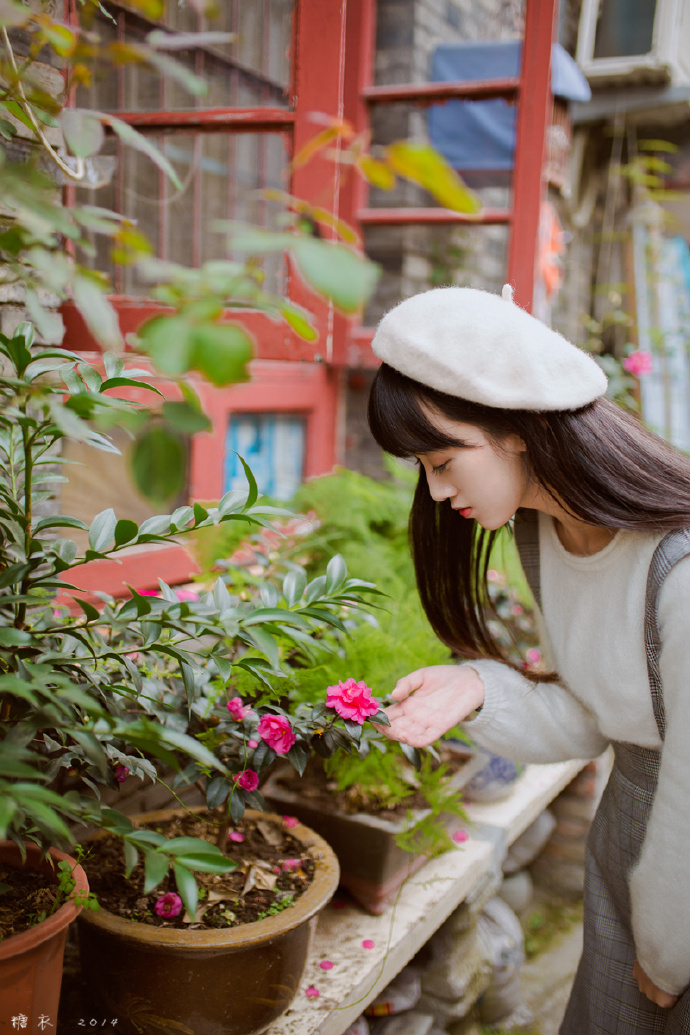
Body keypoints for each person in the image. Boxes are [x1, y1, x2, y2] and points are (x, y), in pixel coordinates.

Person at [366, 284, 690, 1034]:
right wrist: (475, 689)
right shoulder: (543, 535)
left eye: (444, 459)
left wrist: (670, 944)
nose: (437, 490)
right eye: (422, 467)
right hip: (630, 848)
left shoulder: (677, 565)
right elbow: (599, 719)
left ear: (517, 427)